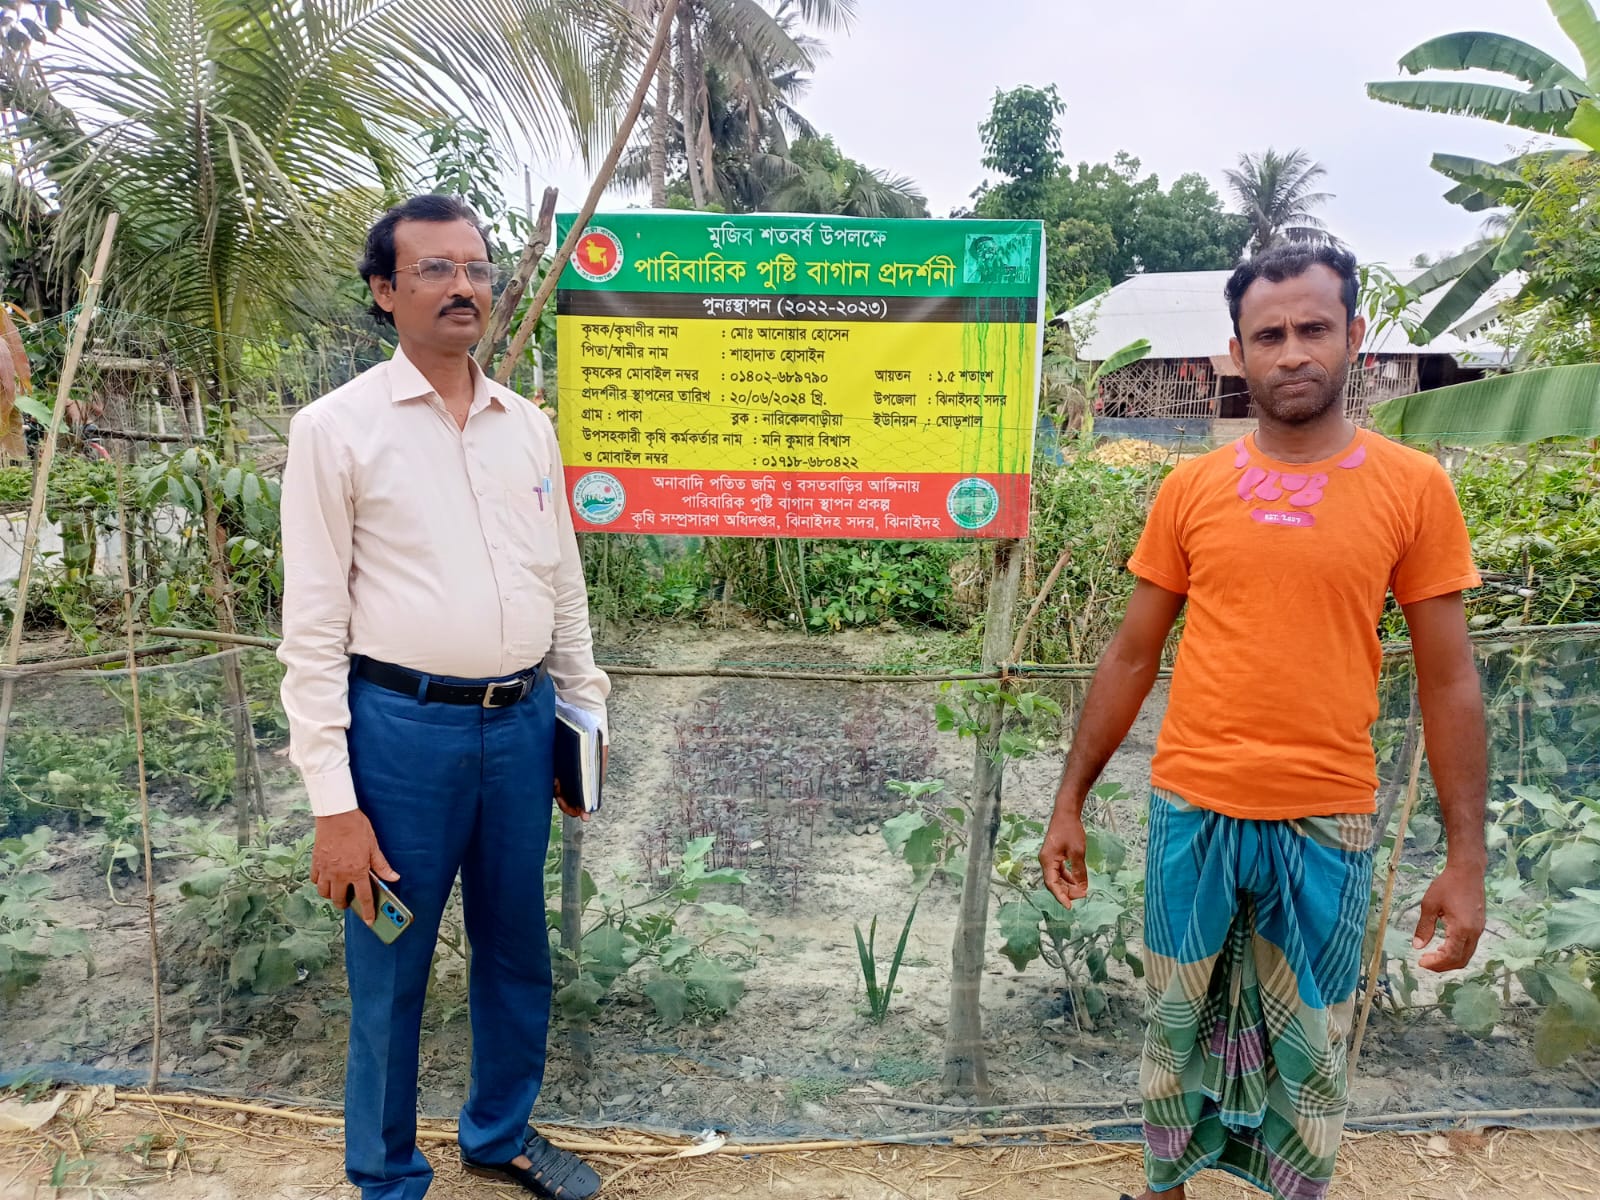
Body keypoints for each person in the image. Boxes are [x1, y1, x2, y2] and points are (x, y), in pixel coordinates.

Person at [1039, 242, 1487, 1200]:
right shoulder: (1192, 489)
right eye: (1269, 334)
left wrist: (1466, 859)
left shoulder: (1413, 487)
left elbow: (1450, 681)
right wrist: (1069, 800)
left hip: (1328, 816)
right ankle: (1168, 1187)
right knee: (1173, 1031)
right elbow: (1131, 655)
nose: (1293, 352)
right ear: (1236, 353)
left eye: (1313, 328)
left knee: (1311, 1045)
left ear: (1354, 337)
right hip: (1191, 808)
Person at [278, 194, 608, 1200]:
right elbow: (312, 628)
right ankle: (386, 1174)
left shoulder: (527, 428)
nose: (463, 286)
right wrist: (333, 804)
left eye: (476, 268)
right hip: (400, 736)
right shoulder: (336, 430)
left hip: (520, 727)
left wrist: (583, 715)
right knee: (390, 958)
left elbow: (561, 581)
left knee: (516, 948)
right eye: (434, 269)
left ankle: (499, 1133)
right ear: (385, 292)